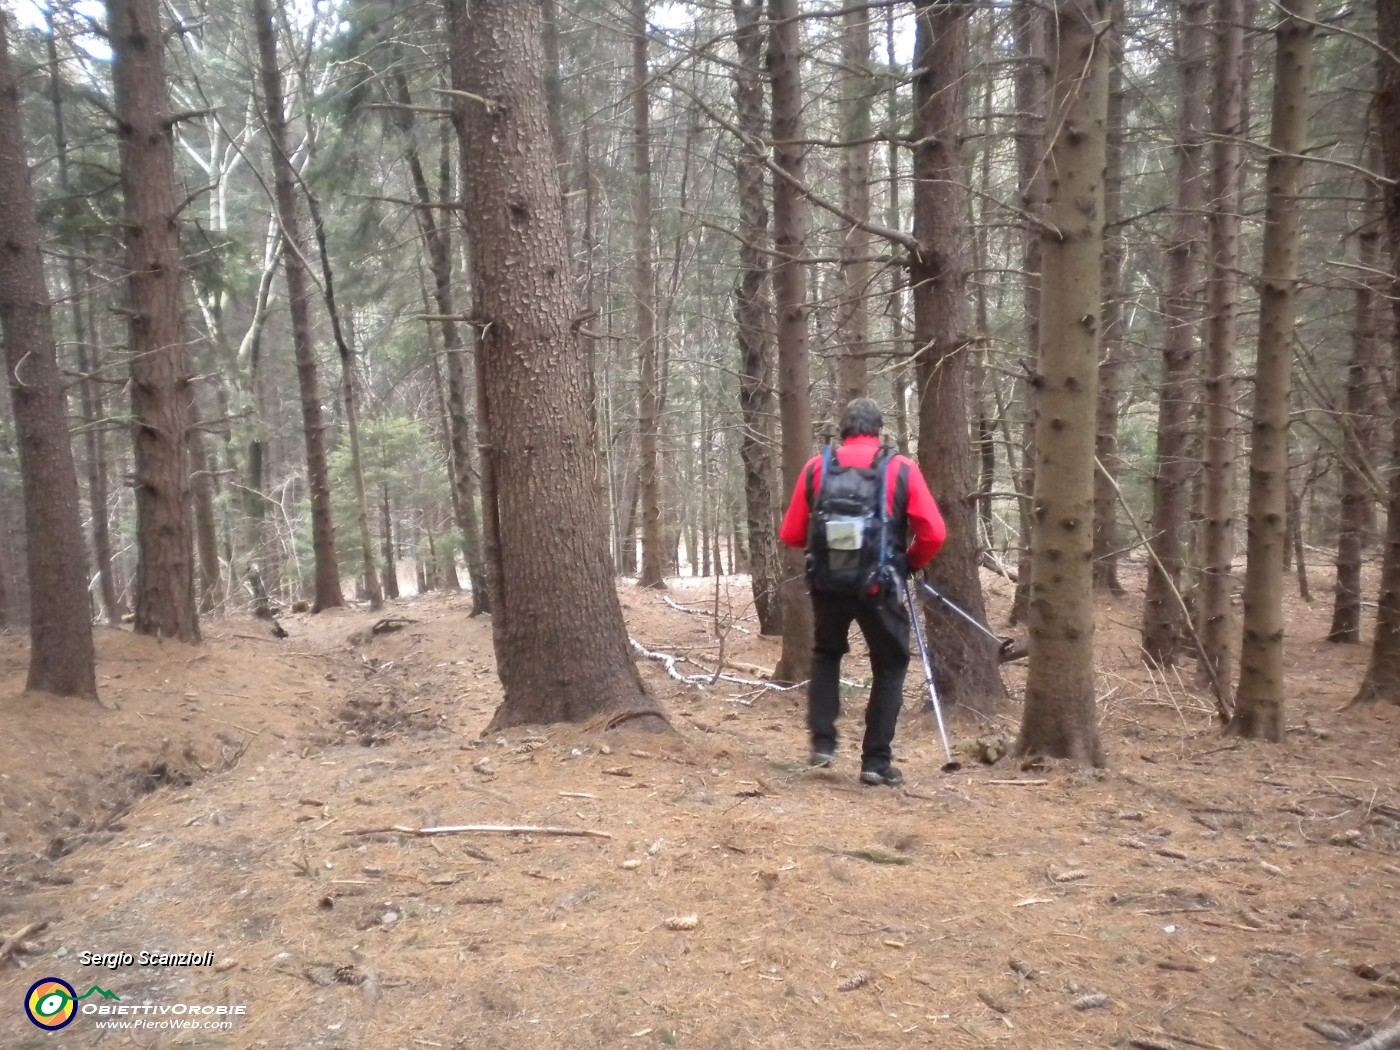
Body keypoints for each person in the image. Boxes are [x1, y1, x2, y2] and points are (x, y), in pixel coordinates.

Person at [778, 398, 946, 787]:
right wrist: (912, 562)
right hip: (880, 584)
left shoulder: (817, 467)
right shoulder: (901, 469)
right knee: (889, 665)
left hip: (828, 583)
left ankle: (822, 742)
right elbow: (934, 532)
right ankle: (875, 762)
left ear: (843, 429)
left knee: (826, 654)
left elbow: (790, 534)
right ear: (878, 429)